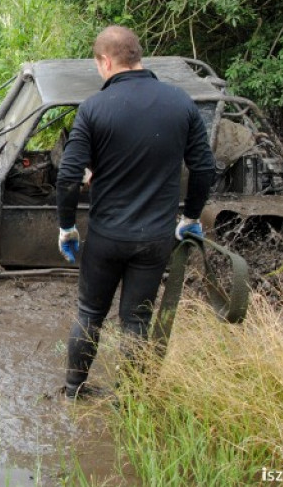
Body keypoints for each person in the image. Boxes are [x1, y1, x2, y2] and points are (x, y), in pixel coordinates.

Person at [55, 26, 216, 400]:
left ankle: (74, 391)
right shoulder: (180, 103)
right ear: (136, 56)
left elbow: (67, 177)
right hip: (155, 239)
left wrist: (67, 228)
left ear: (106, 61)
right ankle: (130, 400)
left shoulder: (94, 108)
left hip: (107, 237)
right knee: (137, 321)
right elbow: (205, 169)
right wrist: (190, 219)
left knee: (90, 314)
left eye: (98, 65)